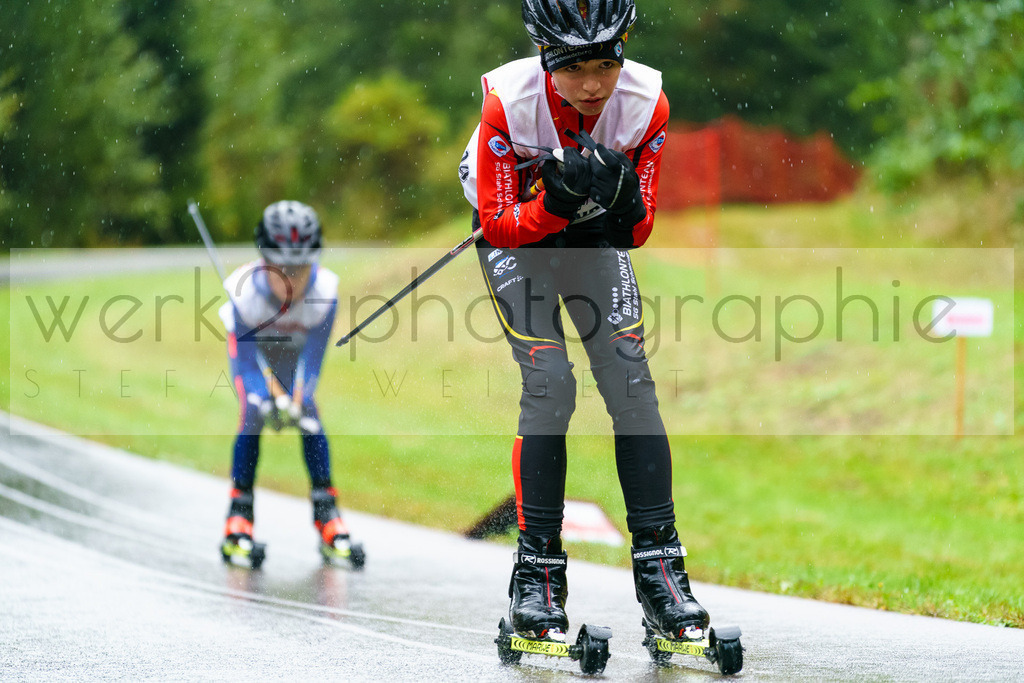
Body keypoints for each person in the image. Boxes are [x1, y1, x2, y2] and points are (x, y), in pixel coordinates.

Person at [458, 0, 709, 643]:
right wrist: (555, 202)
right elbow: (499, 226)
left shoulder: (647, 102)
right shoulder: (506, 103)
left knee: (631, 383)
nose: (595, 84)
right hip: (523, 243)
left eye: (606, 63)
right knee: (551, 385)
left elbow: (642, 225)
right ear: (545, 58)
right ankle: (537, 576)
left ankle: (662, 573)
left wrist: (622, 201)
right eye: (575, 68)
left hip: (595, 243)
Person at [218, 200, 360, 568]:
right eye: (281, 268)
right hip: (256, 362)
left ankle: (327, 515)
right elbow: (247, 365)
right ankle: (239, 517)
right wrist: (267, 400)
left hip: (294, 360)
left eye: (299, 269)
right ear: (263, 260)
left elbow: (313, 360)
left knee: (310, 414)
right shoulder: (244, 294)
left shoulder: (324, 294)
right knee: (252, 410)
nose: (290, 279)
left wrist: (297, 400)